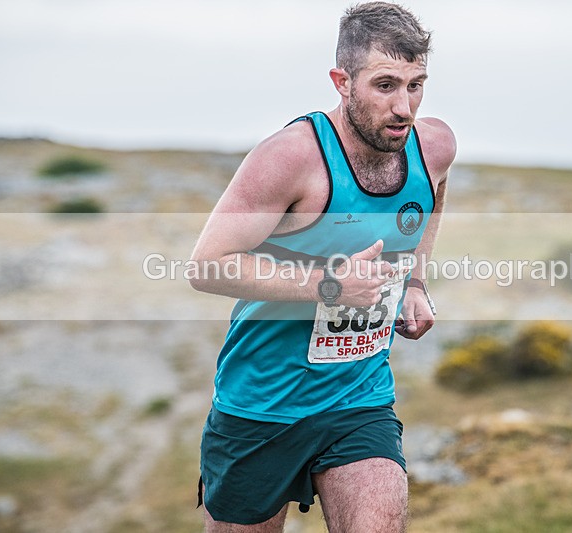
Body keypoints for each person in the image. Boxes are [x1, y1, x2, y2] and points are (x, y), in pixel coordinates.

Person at [189, 2, 455, 531]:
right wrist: (330, 285)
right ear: (342, 81)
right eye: (385, 85)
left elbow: (434, 198)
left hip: (358, 398)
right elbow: (206, 266)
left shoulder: (434, 146)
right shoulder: (291, 158)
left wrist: (416, 283)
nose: (404, 107)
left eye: (416, 84)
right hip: (261, 404)